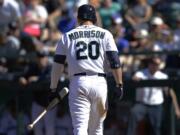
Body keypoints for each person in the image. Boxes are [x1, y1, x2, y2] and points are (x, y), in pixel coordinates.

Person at [49, 4, 123, 135]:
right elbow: (115, 62)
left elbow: (58, 64)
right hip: (99, 82)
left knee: (80, 128)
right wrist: (119, 84)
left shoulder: (67, 36)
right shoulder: (105, 34)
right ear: (94, 18)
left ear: (78, 18)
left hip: (78, 82)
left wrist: (53, 88)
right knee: (97, 129)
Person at [126, 57, 180, 135]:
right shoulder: (141, 73)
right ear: (149, 64)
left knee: (156, 128)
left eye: (157, 64)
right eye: (153, 63)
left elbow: (170, 92)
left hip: (156, 105)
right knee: (133, 113)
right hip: (142, 104)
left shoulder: (163, 76)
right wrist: (135, 79)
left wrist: (177, 109)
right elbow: (135, 77)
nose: (155, 66)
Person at [19, 51, 57, 135]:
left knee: (50, 130)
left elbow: (49, 79)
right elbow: (24, 75)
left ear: (46, 59)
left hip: (50, 104)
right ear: (37, 59)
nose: (41, 60)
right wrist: (22, 78)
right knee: (37, 128)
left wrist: (37, 79)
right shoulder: (34, 67)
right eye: (39, 58)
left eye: (43, 58)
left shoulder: (51, 67)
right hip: (37, 102)